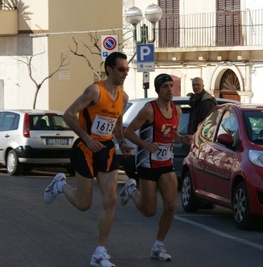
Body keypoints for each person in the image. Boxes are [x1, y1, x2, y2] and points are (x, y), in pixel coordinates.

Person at [43, 52, 133, 267]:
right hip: (85, 148)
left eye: (127, 70)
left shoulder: (124, 96)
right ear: (109, 69)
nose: (125, 73)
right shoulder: (94, 91)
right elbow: (68, 114)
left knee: (110, 199)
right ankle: (60, 185)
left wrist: (122, 142)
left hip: (107, 149)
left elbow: (117, 122)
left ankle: (100, 253)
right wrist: (87, 138)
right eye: (121, 69)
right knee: (84, 204)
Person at [119, 73, 192, 262]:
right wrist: (145, 145)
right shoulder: (149, 110)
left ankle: (158, 246)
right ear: (158, 90)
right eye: (165, 86)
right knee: (149, 210)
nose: (169, 90)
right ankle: (131, 190)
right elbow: (128, 131)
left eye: (171, 86)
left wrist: (181, 139)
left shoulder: (177, 111)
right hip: (147, 163)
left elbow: (171, 135)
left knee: (170, 206)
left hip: (166, 163)